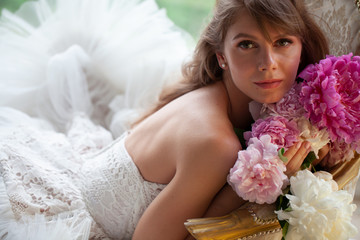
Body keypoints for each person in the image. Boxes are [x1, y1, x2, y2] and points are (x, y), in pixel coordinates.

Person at [0, 0, 329, 239]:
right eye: (247, 45)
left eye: (283, 42)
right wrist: (252, 185)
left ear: (302, 46)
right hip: (77, 222)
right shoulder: (214, 143)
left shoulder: (230, 98)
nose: (268, 63)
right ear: (222, 57)